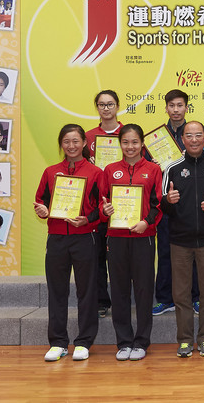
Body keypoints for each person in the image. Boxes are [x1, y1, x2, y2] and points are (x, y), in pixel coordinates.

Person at [33, 124, 106, 362]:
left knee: (87, 291)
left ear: (84, 143)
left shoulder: (96, 173)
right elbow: (40, 202)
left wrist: (88, 219)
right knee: (57, 291)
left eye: (76, 141)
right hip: (56, 238)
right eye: (66, 141)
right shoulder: (50, 172)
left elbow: (103, 208)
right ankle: (58, 342)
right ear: (61, 144)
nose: (71, 146)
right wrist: (43, 211)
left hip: (85, 237)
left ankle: (84, 341)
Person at [161, 121, 204, 358]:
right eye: (189, 135)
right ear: (183, 140)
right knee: (181, 294)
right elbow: (162, 205)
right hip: (180, 240)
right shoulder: (172, 168)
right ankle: (185, 340)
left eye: (198, 135)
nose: (193, 139)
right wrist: (168, 201)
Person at [101, 124, 163, 361]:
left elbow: (158, 203)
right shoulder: (110, 169)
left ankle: (141, 341)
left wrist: (146, 223)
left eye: (134, 142)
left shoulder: (154, 169)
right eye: (125, 142)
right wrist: (105, 210)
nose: (130, 147)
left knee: (144, 290)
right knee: (118, 290)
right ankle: (124, 341)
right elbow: (103, 201)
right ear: (120, 144)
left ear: (142, 143)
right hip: (115, 238)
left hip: (143, 237)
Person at [152, 89, 204, 317]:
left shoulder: (197, 135)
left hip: (194, 207)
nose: (176, 110)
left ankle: (195, 298)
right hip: (167, 207)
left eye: (180, 105)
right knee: (165, 253)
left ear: (187, 107)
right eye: (172, 106)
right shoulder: (155, 139)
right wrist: (154, 164)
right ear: (166, 108)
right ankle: (165, 298)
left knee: (195, 255)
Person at [85, 89, 124, 317]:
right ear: (97, 108)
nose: (106, 108)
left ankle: (124, 299)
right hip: (97, 204)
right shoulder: (88, 137)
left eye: (110, 104)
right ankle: (101, 300)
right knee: (97, 254)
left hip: (125, 204)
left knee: (121, 257)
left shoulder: (128, 133)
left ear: (117, 106)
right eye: (102, 104)